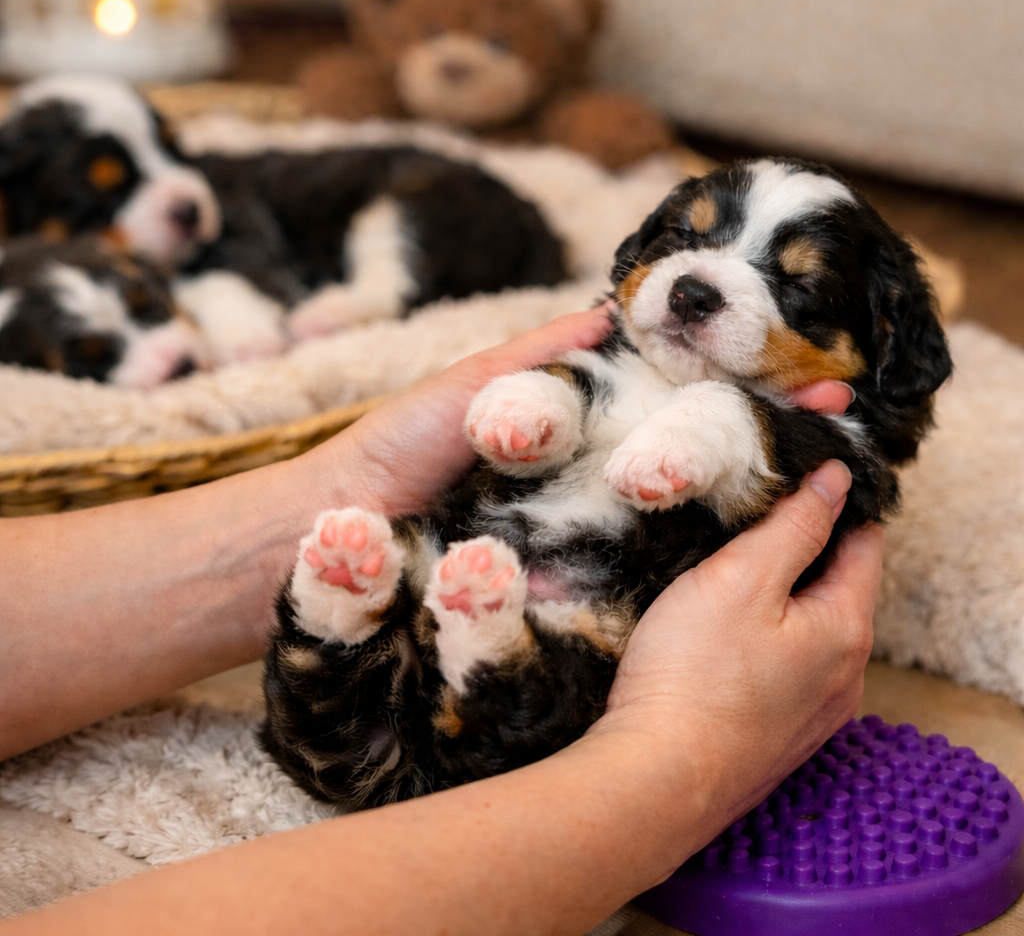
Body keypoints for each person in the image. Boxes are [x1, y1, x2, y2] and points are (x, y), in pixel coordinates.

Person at [0, 305, 880, 936]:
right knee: (447, 624)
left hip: (512, 591)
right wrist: (678, 763)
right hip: (527, 613)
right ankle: (470, 649)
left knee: (379, 625)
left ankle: (341, 623)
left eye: (792, 289)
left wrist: (332, 495)